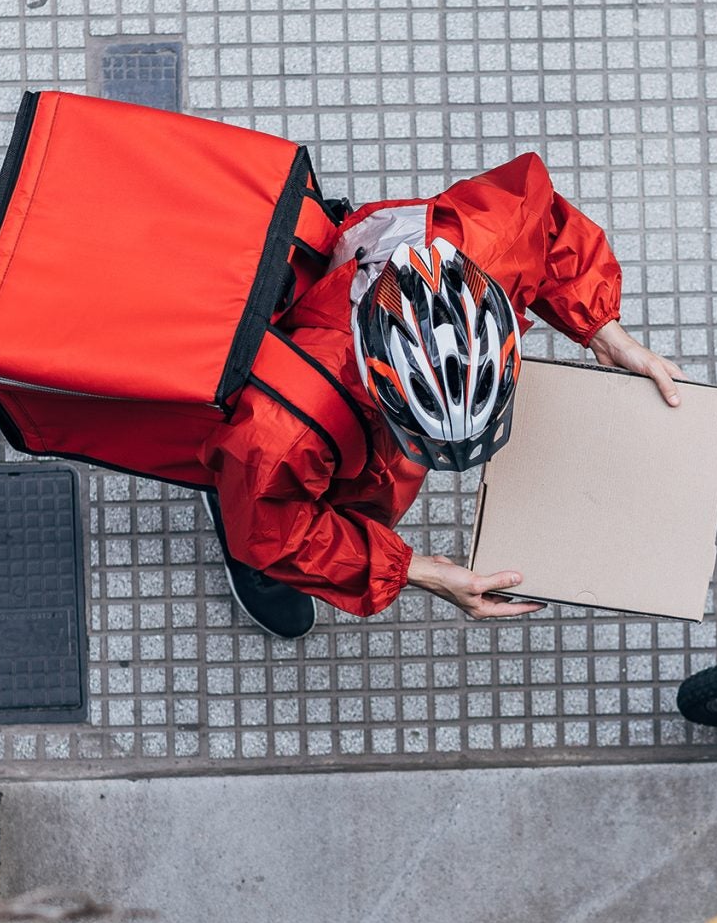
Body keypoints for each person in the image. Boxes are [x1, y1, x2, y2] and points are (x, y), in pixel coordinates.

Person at [196, 152, 682, 640]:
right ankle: (229, 496)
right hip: (282, 431)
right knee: (268, 501)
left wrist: (606, 334)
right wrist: (416, 570)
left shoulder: (491, 241)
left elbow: (546, 226)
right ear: (373, 380)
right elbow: (274, 533)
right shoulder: (285, 428)